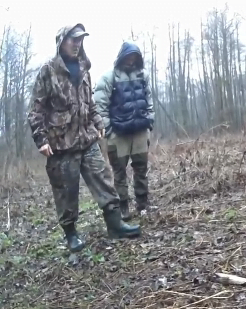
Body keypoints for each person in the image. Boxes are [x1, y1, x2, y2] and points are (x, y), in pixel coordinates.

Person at [27, 24, 141, 253]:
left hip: (87, 140)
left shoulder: (84, 68)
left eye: (80, 40)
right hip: (61, 145)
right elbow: (35, 110)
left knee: (105, 180)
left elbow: (90, 104)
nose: (77, 44)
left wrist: (98, 124)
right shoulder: (48, 71)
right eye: (73, 40)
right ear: (62, 42)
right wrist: (41, 140)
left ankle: (115, 225)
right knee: (66, 192)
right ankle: (71, 235)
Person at [94, 41, 155, 220]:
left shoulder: (143, 76)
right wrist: (108, 130)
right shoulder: (109, 78)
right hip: (118, 134)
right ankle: (123, 207)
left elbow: (148, 98)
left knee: (141, 170)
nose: (131, 60)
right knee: (119, 173)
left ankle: (143, 204)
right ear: (122, 57)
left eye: (134, 56)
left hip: (140, 131)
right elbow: (99, 105)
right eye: (129, 56)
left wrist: (149, 120)